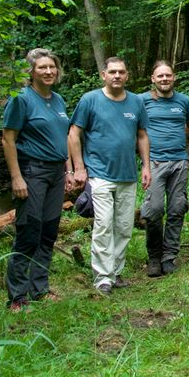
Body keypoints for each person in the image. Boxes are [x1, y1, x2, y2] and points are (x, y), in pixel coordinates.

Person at [68, 57, 151, 295]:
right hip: (99, 174)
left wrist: (146, 166)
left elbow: (142, 136)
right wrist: (79, 167)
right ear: (103, 75)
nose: (117, 76)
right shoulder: (90, 100)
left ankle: (115, 271)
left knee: (124, 227)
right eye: (112, 72)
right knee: (103, 225)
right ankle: (103, 278)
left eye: (121, 72)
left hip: (128, 175)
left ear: (127, 75)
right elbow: (74, 134)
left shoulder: (136, 102)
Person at [1, 49, 74, 312]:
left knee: (48, 231)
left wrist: (68, 171)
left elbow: (62, 137)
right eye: (42, 67)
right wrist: (17, 177)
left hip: (56, 173)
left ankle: (39, 288)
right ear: (31, 72)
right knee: (29, 232)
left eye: (52, 67)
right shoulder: (21, 99)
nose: (48, 71)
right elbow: (8, 139)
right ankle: (17, 297)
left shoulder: (58, 101)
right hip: (32, 171)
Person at [139, 61, 189, 277]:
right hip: (154, 162)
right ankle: (154, 255)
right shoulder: (142, 100)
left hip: (179, 161)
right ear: (153, 79)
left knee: (177, 207)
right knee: (153, 209)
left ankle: (169, 256)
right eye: (160, 76)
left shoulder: (184, 101)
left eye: (168, 75)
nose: (164, 79)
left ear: (174, 77)